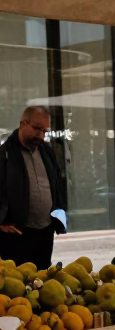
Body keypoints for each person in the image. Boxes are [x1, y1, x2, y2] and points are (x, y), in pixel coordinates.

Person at [0, 105, 65, 268]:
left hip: (45, 232)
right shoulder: (4, 154)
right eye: (37, 129)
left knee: (42, 283)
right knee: (18, 285)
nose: (41, 135)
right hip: (17, 235)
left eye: (45, 131)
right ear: (23, 124)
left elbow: (57, 185)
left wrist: (59, 218)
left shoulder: (47, 152)